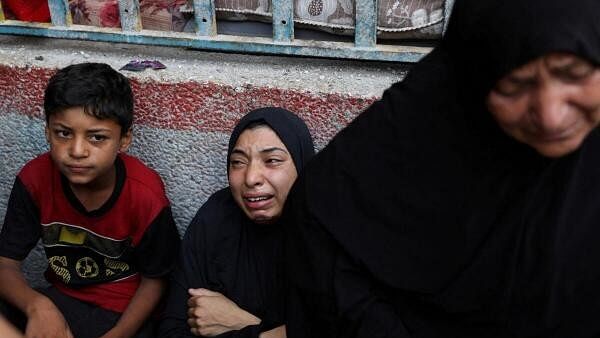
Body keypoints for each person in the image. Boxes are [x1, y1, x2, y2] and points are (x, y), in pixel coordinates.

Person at [283, 0, 600, 337]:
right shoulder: (424, 130)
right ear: (475, 79)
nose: (550, 115)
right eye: (514, 85)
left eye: (573, 73)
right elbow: (318, 225)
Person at [0, 62, 181, 338]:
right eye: (64, 133)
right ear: (47, 130)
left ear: (123, 140)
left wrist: (118, 334)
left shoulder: (145, 194)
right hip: (60, 300)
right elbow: (5, 262)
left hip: (123, 313)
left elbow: (156, 279)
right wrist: (38, 307)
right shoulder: (34, 178)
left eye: (97, 138)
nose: (77, 151)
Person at [159, 107, 315, 338]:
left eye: (272, 160)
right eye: (238, 162)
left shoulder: (327, 233)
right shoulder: (217, 217)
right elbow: (172, 329)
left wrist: (240, 322)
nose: (251, 178)